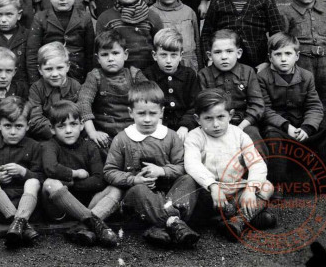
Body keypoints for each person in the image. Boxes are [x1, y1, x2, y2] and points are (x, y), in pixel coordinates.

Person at [103, 81, 200, 248]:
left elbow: (182, 166)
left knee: (189, 180)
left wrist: (162, 170)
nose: (147, 119)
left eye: (152, 113)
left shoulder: (170, 136)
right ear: (130, 113)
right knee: (139, 190)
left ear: (161, 112)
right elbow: (109, 171)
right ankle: (174, 222)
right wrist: (134, 180)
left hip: (170, 196)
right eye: (141, 114)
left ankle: (160, 227)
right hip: (139, 201)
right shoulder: (122, 138)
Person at [258, 33, 326, 197]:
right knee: (272, 136)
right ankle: (277, 184)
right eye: (278, 54)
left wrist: (307, 127)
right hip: (279, 125)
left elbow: (314, 105)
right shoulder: (262, 78)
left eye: (288, 54)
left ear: (297, 56)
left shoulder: (306, 76)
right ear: (270, 57)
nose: (283, 59)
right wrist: (286, 126)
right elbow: (265, 109)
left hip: (301, 122)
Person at [184, 88, 276, 241]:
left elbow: (256, 163)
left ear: (231, 115)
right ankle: (246, 218)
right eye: (208, 118)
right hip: (210, 193)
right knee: (198, 203)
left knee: (267, 187)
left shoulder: (239, 134)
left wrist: (251, 189)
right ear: (197, 119)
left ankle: (238, 221)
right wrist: (213, 186)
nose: (216, 124)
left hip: (235, 189)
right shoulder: (194, 137)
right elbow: (192, 163)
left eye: (221, 117)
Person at [41, 101, 119, 248]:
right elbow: (51, 168)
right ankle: (94, 223)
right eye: (61, 126)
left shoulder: (89, 146)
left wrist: (69, 185)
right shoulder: (49, 145)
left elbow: (99, 180)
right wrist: (75, 173)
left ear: (82, 125)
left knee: (115, 189)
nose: (68, 130)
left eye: (73, 124)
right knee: (50, 183)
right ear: (52, 129)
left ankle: (83, 227)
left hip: (89, 205)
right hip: (60, 209)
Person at [0, 97, 43, 248]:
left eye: (18, 126)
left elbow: (42, 179)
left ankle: (19, 222)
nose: (12, 132)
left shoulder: (35, 147)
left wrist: (24, 172)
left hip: (28, 208)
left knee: (33, 181)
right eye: (7, 126)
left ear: (28, 126)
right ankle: (21, 223)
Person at [198, 29, 269, 159]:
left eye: (229, 51)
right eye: (218, 52)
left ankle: (261, 175)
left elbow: (257, 105)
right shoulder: (203, 75)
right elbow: (204, 106)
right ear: (209, 55)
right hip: (216, 123)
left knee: (254, 140)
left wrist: (241, 126)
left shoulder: (248, 72)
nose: (224, 57)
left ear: (239, 53)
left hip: (244, 123)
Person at [77, 31, 148, 148]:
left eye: (115, 53)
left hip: (134, 131)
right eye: (105, 55)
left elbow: (153, 98)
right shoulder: (95, 76)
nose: (110, 59)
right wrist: (92, 133)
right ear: (98, 58)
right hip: (105, 135)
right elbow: (84, 102)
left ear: (125, 54)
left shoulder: (134, 74)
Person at [27, 0, 94, 84]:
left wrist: (88, 83)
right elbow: (32, 55)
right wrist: (36, 84)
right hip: (49, 77)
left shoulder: (85, 18)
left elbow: (90, 53)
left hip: (78, 77)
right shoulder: (40, 18)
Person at [96, 0, 163, 70]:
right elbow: (101, 49)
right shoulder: (105, 19)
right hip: (118, 72)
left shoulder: (152, 16)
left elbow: (161, 47)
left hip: (148, 71)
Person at [142, 28, 200, 141]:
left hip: (184, 127)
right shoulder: (148, 75)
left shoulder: (189, 75)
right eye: (163, 55)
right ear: (154, 55)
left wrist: (185, 126)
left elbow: (195, 105)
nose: (168, 61)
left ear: (181, 55)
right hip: (157, 125)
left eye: (173, 55)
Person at [26, 42, 83, 142]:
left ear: (68, 66)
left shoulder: (75, 86)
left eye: (60, 68)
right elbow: (35, 120)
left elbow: (81, 115)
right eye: (48, 69)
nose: (55, 74)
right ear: (40, 70)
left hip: (73, 136)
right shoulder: (36, 89)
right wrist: (58, 132)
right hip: (47, 138)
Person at [147, 0, 200, 70]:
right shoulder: (151, 13)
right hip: (164, 66)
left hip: (189, 65)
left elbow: (197, 44)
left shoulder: (189, 12)